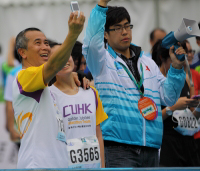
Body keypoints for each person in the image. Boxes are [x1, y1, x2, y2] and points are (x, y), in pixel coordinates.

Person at [83, 0, 186, 167]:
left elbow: (169, 97)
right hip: (118, 147)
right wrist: (101, 5)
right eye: (117, 28)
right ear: (105, 34)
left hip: (151, 147)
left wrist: (176, 68)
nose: (124, 32)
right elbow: (91, 43)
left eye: (127, 26)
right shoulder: (101, 61)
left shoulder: (147, 61)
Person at [13, 11, 85, 168]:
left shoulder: (47, 88)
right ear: (22, 52)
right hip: (37, 165)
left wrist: (77, 77)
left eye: (46, 43)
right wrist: (73, 34)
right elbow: (53, 66)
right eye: (37, 43)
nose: (45, 46)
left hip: (58, 164)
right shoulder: (23, 77)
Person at [49, 44, 107, 168]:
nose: (63, 60)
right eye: (57, 57)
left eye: (65, 54)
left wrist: (102, 167)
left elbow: (98, 134)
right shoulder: (48, 96)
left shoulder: (91, 92)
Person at [152, 39, 200, 166]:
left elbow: (193, 117)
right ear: (164, 58)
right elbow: (150, 118)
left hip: (188, 144)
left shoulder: (186, 78)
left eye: (181, 59)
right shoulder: (155, 82)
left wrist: (198, 108)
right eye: (175, 60)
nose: (180, 63)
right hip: (167, 144)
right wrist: (173, 107)